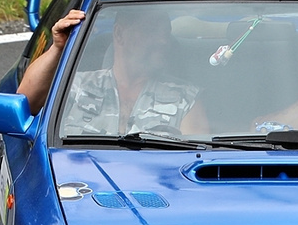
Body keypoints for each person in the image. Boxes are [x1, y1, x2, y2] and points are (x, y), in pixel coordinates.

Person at [19, 7, 210, 136]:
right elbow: (25, 104)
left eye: (165, 33)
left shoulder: (185, 97)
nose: (163, 41)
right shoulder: (76, 87)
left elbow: (197, 158)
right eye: (151, 31)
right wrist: (58, 48)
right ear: (119, 34)